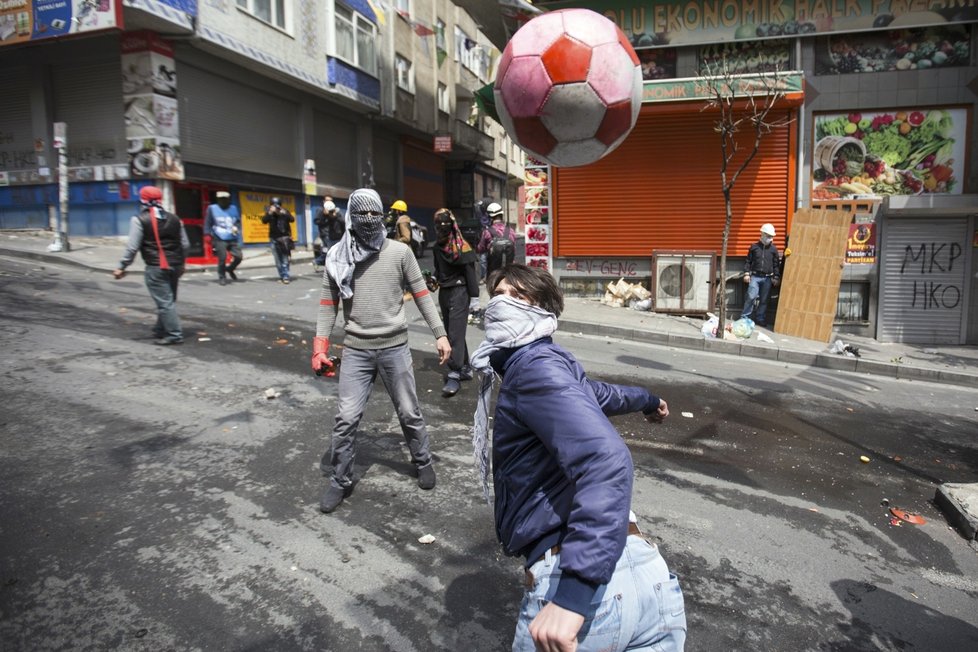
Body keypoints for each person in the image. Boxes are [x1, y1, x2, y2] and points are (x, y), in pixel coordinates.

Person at [470, 263, 687, 652]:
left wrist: (572, 597)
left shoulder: (533, 369)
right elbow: (601, 394)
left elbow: (607, 461)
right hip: (647, 578)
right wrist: (649, 400)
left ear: (545, 312)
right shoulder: (553, 365)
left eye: (518, 297)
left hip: (585, 586)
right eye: (497, 295)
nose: (502, 304)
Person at [311, 188, 452, 514]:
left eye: (376, 214)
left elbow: (421, 294)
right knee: (345, 419)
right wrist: (320, 347)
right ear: (352, 217)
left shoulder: (399, 253)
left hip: (395, 348)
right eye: (363, 214)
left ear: (383, 216)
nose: (370, 220)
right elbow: (327, 306)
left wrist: (440, 334)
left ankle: (422, 460)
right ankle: (340, 479)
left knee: (409, 411)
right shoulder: (338, 256)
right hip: (357, 351)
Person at [113, 186, 190, 346]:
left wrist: (122, 266)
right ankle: (160, 328)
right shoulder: (176, 219)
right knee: (169, 299)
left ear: (142, 200)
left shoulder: (139, 219)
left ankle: (174, 334)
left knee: (164, 302)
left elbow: (132, 247)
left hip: (156, 266)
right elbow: (185, 245)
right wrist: (182, 263)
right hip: (175, 265)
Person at [431, 208, 480, 398]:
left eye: (444, 224)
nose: (441, 228)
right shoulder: (437, 247)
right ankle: (466, 367)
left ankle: (454, 373)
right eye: (438, 225)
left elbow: (470, 273)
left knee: (454, 333)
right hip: (444, 292)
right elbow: (437, 270)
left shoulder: (462, 247)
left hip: (461, 292)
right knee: (453, 329)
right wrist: (433, 279)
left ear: (450, 225)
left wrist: (474, 297)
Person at [741, 222, 781, 327]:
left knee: (764, 300)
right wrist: (746, 273)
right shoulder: (754, 247)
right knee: (751, 296)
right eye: (768, 236)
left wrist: (776, 276)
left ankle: (760, 318)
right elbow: (748, 261)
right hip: (755, 276)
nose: (770, 238)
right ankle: (745, 317)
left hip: (768, 278)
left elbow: (776, 264)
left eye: (772, 236)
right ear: (762, 234)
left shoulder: (773, 250)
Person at [204, 190, 242, 286]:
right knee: (222, 258)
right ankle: (222, 276)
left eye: (225, 199)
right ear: (218, 200)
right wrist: (207, 234)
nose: (223, 201)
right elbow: (208, 222)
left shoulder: (233, 208)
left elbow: (237, 221)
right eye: (221, 199)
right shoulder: (212, 208)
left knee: (238, 256)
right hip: (219, 237)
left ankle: (230, 269)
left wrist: (236, 227)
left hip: (232, 236)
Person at [476, 202, 517, 281]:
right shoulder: (511, 231)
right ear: (501, 215)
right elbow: (514, 250)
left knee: (482, 256)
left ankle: (483, 277)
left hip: (493, 273)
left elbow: (480, 248)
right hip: (509, 272)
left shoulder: (487, 232)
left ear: (490, 217)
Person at [262, 197, 295, 284]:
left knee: (285, 258)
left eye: (277, 206)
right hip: (274, 239)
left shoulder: (284, 212)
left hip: (284, 239)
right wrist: (270, 212)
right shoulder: (270, 214)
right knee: (277, 260)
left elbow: (292, 219)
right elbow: (264, 221)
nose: (276, 208)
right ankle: (282, 275)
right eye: (274, 206)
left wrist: (284, 213)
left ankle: (285, 276)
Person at [313, 196, 345, 268]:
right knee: (329, 252)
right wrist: (324, 216)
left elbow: (343, 222)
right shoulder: (321, 210)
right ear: (323, 201)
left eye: (331, 200)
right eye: (327, 200)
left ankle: (320, 261)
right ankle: (320, 262)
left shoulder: (337, 211)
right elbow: (317, 221)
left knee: (334, 252)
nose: (329, 202)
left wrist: (335, 216)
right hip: (326, 234)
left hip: (338, 235)